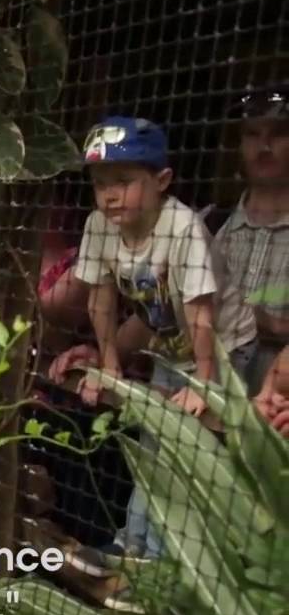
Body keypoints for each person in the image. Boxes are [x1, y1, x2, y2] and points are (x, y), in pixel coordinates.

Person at [64, 116, 257, 568]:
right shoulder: (99, 225)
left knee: (189, 457)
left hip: (224, 351)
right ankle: (132, 549)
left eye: (125, 181)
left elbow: (202, 313)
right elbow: (100, 299)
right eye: (100, 183)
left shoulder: (182, 227)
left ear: (162, 180)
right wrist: (109, 366)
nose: (110, 194)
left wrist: (205, 383)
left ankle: (164, 565)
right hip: (171, 350)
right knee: (152, 447)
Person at [212, 83, 289, 430]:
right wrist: (107, 351)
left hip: (276, 420)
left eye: (278, 133)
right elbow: (163, 309)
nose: (264, 146)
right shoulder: (209, 224)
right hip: (205, 417)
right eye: (252, 134)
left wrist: (262, 322)